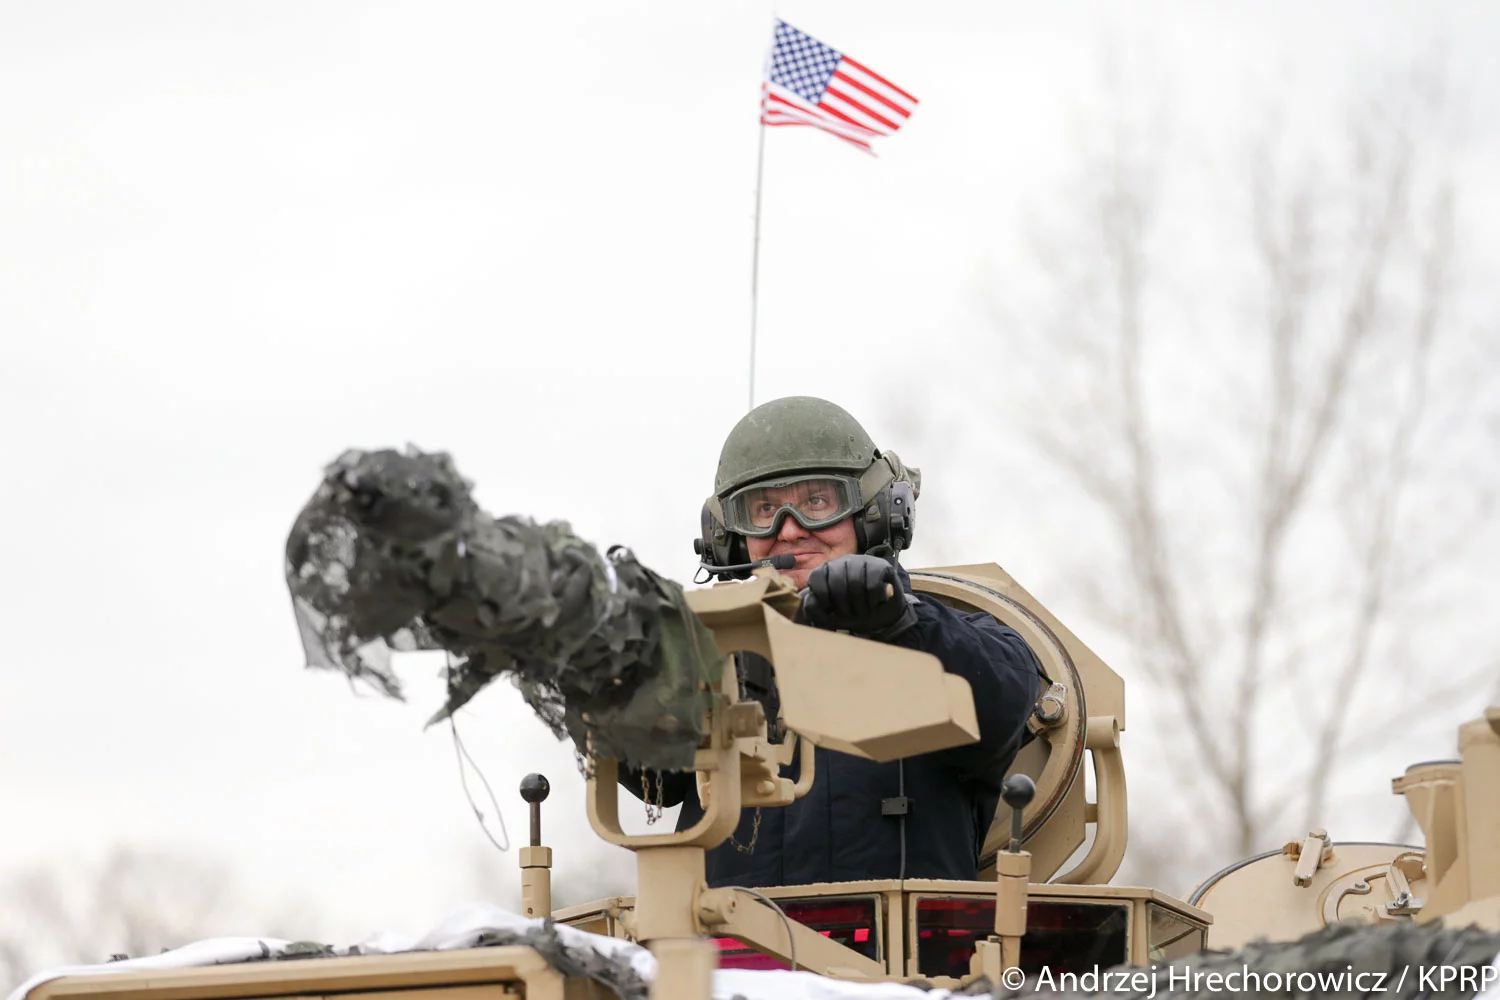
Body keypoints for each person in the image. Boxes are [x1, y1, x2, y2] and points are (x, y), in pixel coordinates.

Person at [628, 396, 1044, 888]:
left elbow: (1001, 703)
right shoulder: (707, 659)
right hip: (733, 954)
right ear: (729, 537)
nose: (789, 530)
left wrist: (899, 625)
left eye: (817, 503)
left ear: (877, 514)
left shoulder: (952, 639)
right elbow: (650, 770)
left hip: (902, 959)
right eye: (763, 510)